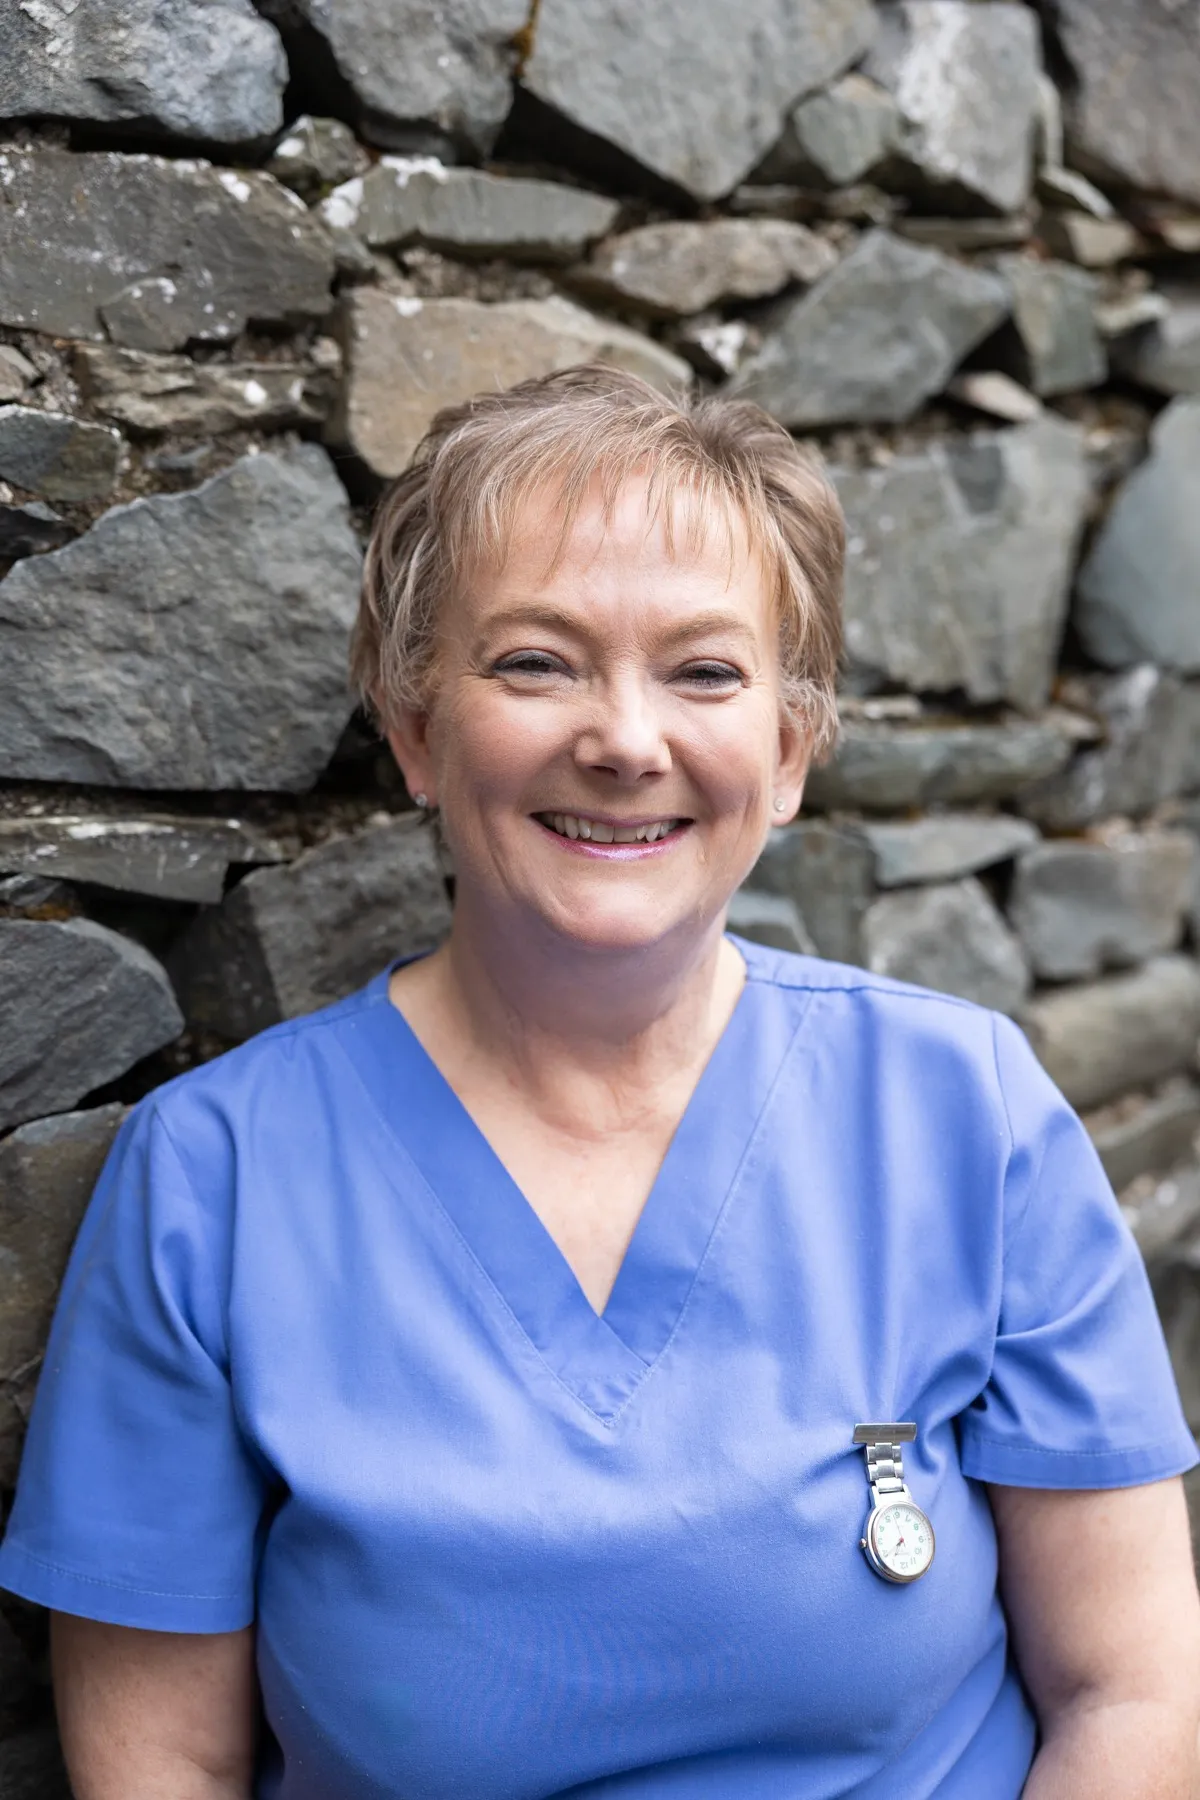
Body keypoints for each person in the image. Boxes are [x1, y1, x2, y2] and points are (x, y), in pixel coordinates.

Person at [2, 364, 1198, 1800]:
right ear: (416, 731)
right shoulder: (217, 1180)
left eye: (705, 671)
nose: (627, 742)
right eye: (536, 663)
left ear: (792, 749)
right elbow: (163, 1771)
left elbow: (1129, 1691)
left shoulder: (964, 1113)